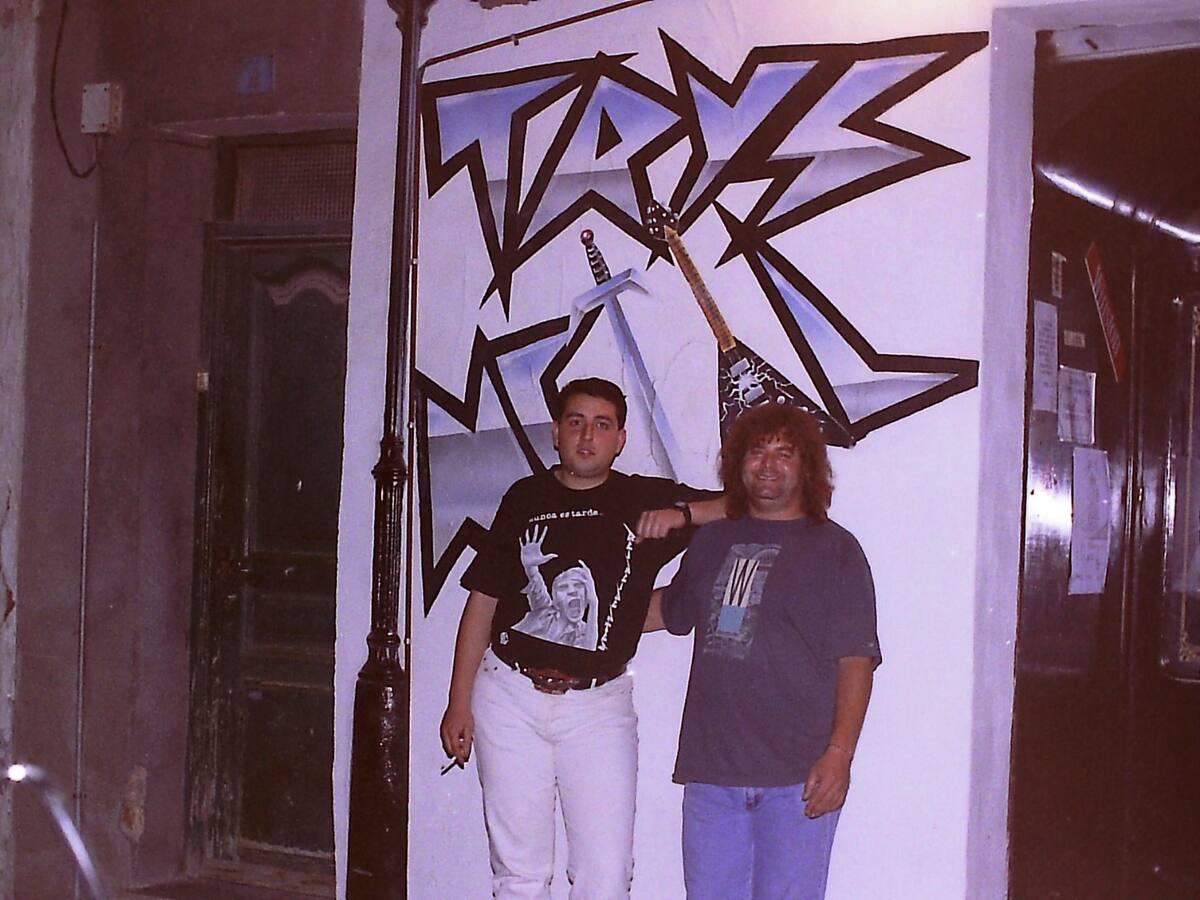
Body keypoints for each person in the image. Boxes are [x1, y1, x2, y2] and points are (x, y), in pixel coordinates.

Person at [439, 377, 721, 899]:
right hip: (509, 697)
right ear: (556, 432)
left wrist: (683, 513)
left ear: (620, 439)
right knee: (519, 874)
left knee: (606, 875)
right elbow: (483, 601)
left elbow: (745, 503)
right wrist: (459, 702)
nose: (587, 436)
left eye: (602, 425)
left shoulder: (641, 497)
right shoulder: (525, 497)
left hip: (598, 707)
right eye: (576, 422)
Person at [646, 403, 881, 900]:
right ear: (739, 462)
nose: (768, 463)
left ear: (807, 467)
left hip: (798, 781)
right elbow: (669, 610)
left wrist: (840, 754)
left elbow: (856, 659)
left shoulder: (836, 550)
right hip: (712, 777)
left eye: (784, 452)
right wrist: (581, 618)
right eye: (757, 450)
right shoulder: (711, 541)